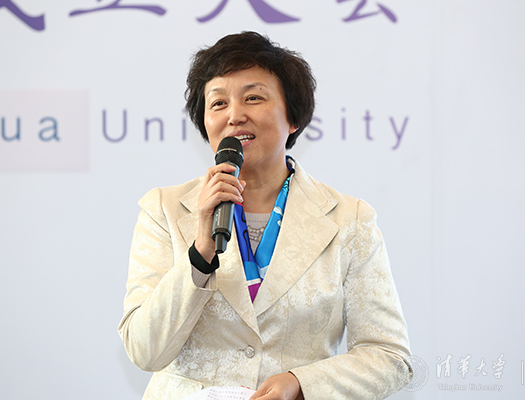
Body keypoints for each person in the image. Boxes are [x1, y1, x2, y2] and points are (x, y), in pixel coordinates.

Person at [118, 31, 412, 400]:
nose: (235, 116)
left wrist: (301, 383)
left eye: (253, 98)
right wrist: (200, 252)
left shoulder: (349, 220)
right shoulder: (165, 209)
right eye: (218, 103)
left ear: (293, 117)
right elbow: (144, 351)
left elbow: (389, 356)